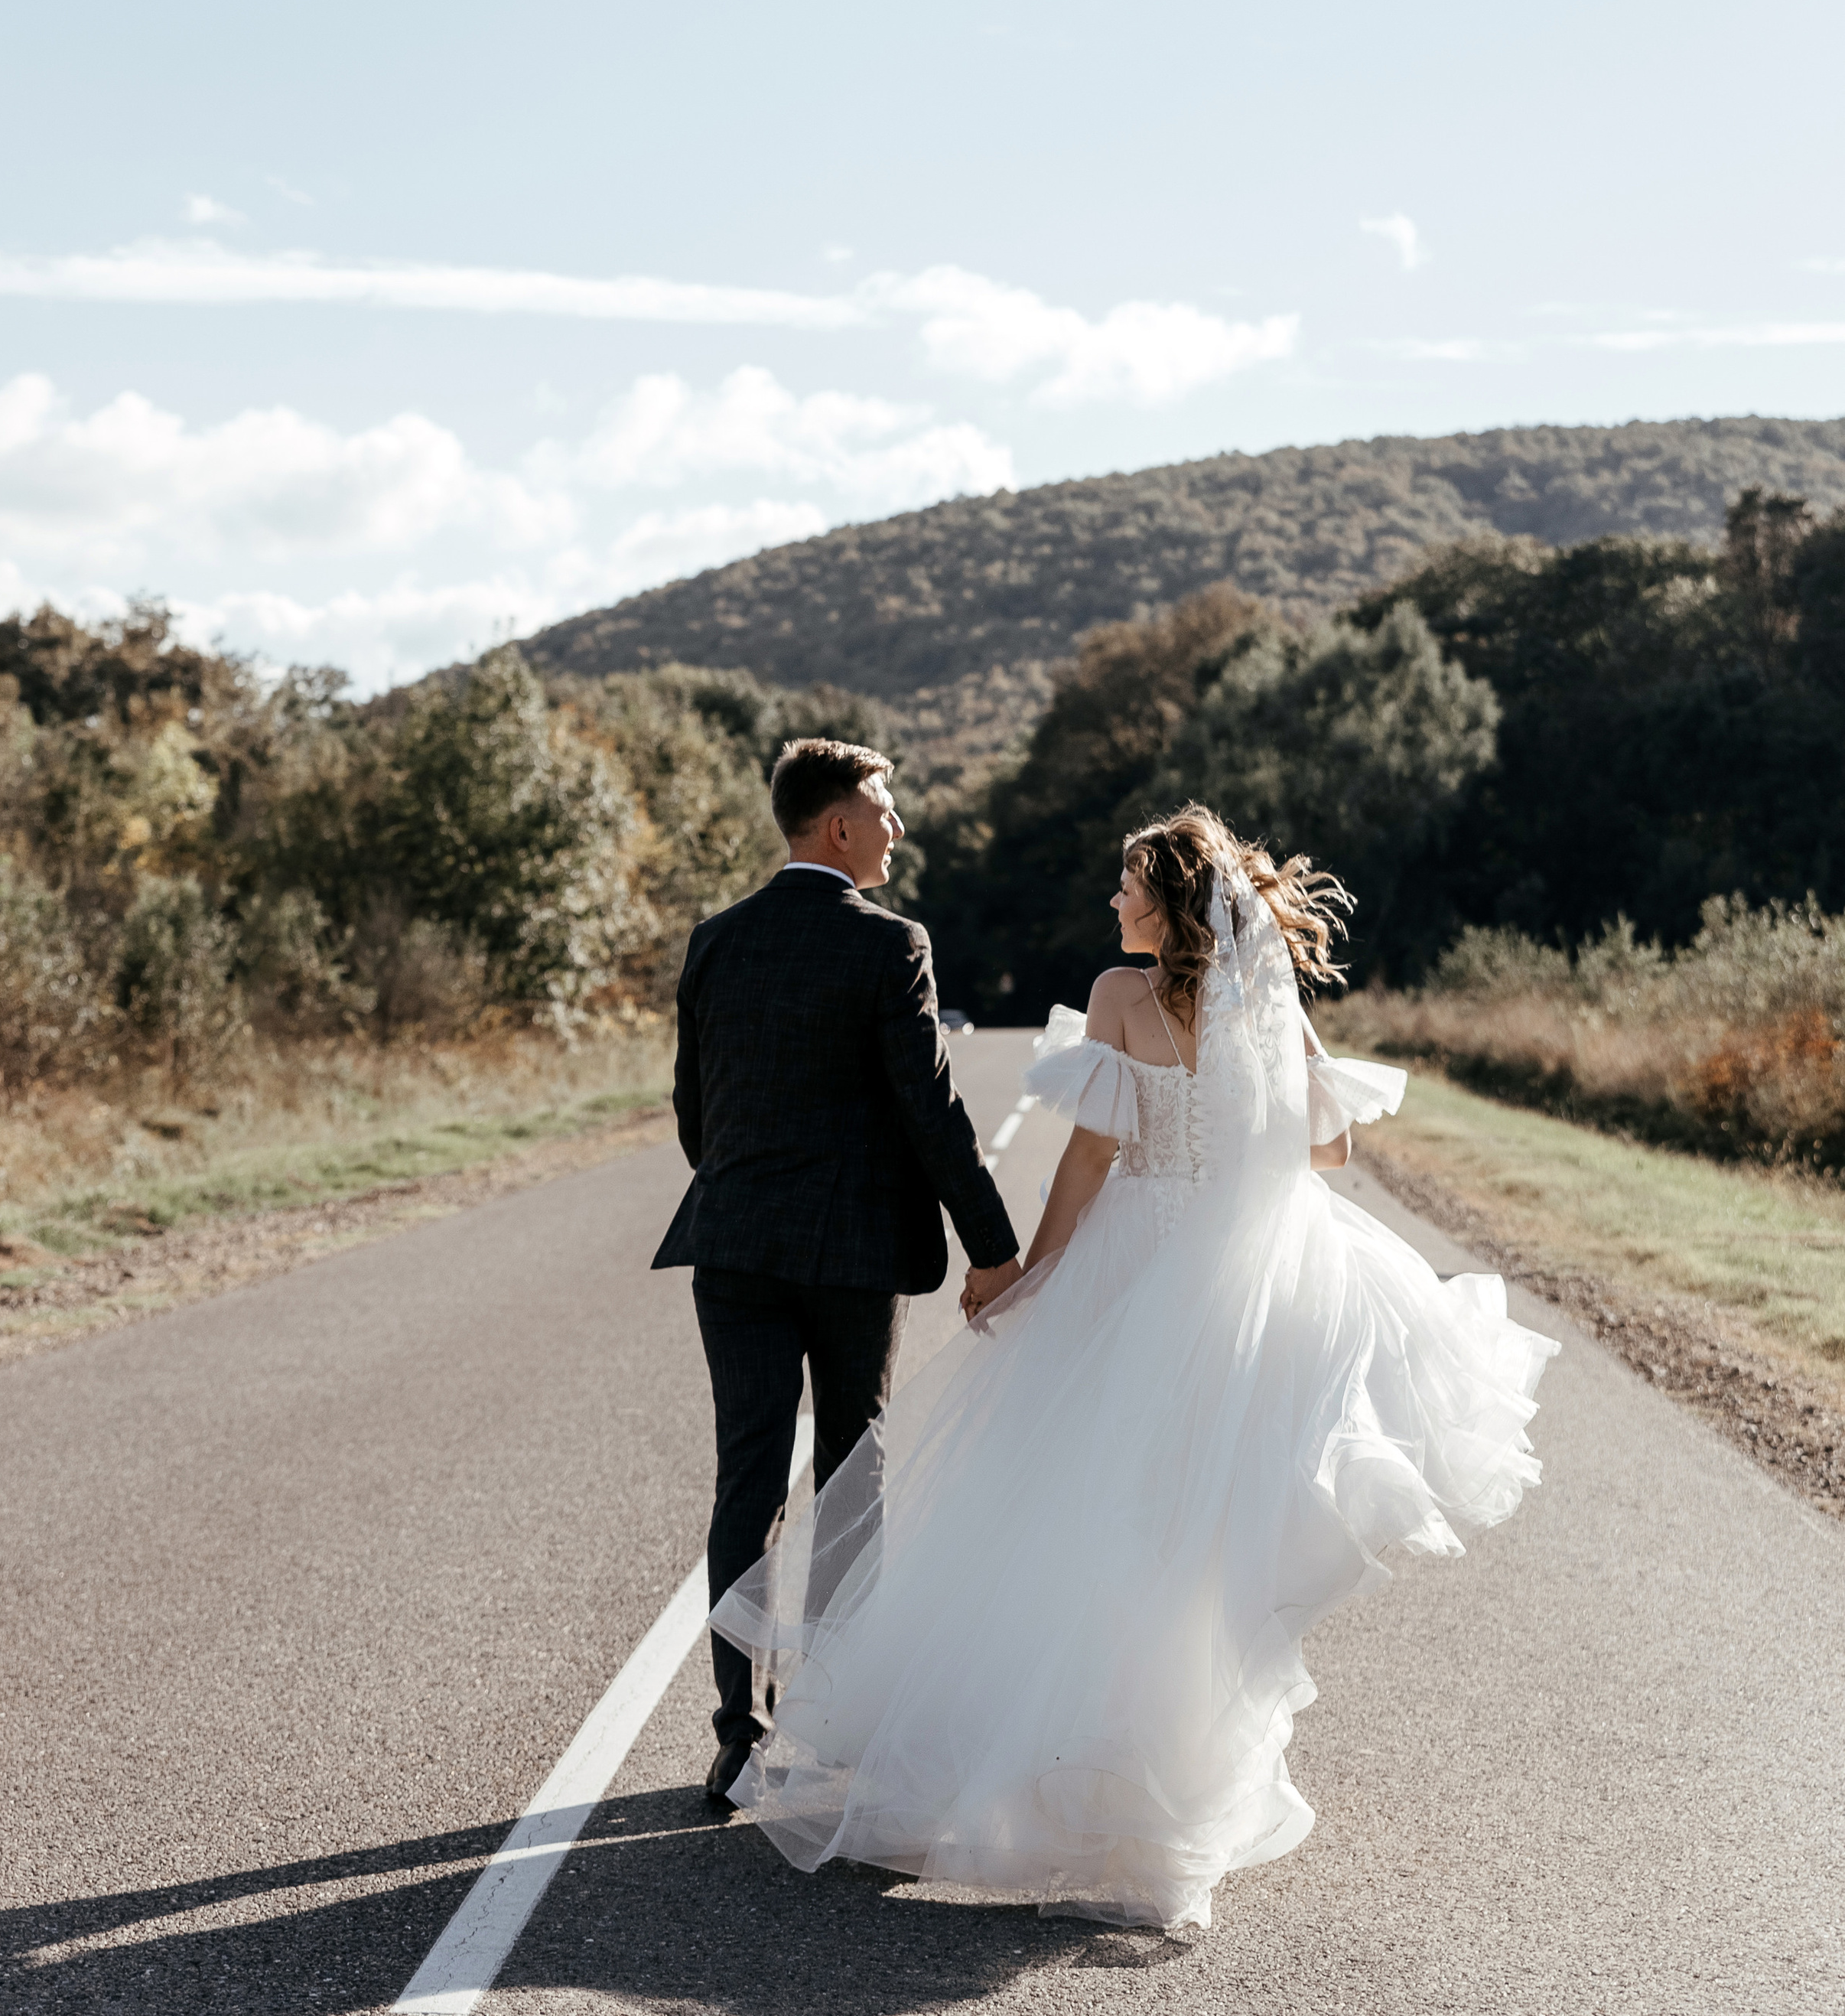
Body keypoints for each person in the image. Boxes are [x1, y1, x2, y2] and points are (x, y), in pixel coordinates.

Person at [709, 800, 1558, 1934]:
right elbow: (1329, 1146)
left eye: (1126, 887)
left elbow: (1092, 1152)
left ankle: (1066, 1772)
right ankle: (1169, 1801)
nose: (1113, 903)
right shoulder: (1264, 993)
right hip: (1249, 1283)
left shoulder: (1119, 996)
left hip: (1134, 1267)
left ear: (1167, 900)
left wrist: (1031, 1270)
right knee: (1201, 1543)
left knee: (1087, 1518)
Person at [653, 735, 1023, 1809]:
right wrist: (994, 1250)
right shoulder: (890, 943)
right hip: (852, 1255)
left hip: (732, 1244)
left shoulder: (716, 940)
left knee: (747, 1480)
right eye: (884, 807)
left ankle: (737, 1729)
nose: (897, 827)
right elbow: (934, 1113)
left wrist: (746, 1189)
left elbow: (695, 1114)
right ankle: (834, 1720)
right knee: (853, 1479)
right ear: (838, 827)